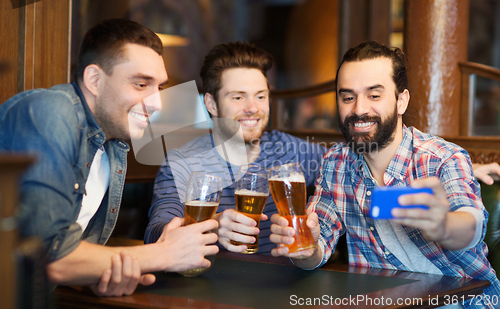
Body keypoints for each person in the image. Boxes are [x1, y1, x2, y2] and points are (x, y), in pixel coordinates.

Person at [269, 41, 500, 308]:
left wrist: (444, 225)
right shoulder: (337, 162)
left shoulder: (442, 158)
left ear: (401, 101)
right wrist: (305, 249)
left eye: (374, 95)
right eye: (348, 97)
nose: (358, 109)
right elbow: (317, 244)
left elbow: (470, 224)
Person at [0, 19, 219, 297]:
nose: (157, 103)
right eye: (141, 84)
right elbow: (50, 256)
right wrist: (164, 254)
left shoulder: (114, 146)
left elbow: (70, 259)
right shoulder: (51, 110)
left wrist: (104, 272)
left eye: (159, 87)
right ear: (94, 80)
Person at [145, 42, 327, 254]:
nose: (252, 108)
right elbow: (155, 236)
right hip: (211, 282)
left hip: (282, 281)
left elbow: (348, 166)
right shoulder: (183, 162)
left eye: (260, 96)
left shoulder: (292, 151)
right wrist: (212, 225)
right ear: (212, 104)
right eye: (238, 97)